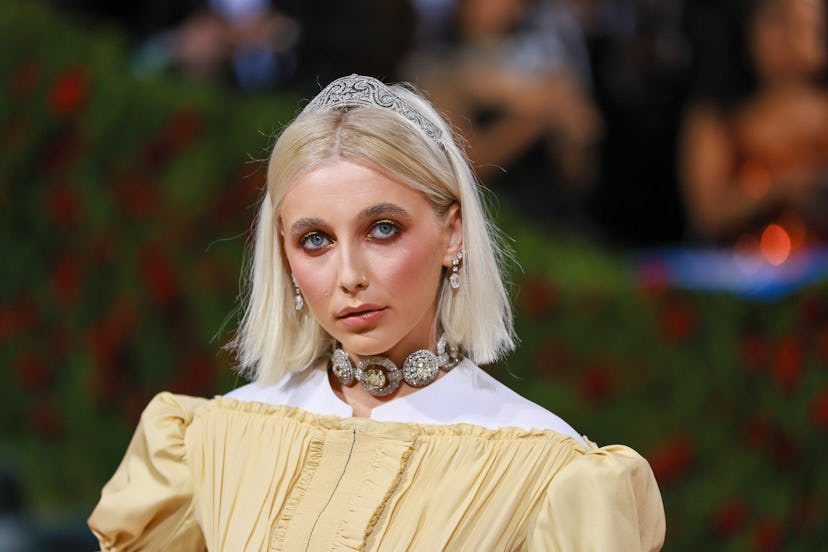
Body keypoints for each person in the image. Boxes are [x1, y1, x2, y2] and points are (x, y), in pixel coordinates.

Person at [87, 74, 665, 550]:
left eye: (382, 228)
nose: (349, 275)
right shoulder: (209, 441)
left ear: (452, 233)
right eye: (315, 240)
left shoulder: (549, 472)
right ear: (284, 255)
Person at [679, 0, 828, 248]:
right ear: (748, 30)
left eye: (805, 25)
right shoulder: (720, 116)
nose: (791, 39)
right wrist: (779, 188)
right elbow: (707, 214)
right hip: (739, 274)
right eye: (779, 22)